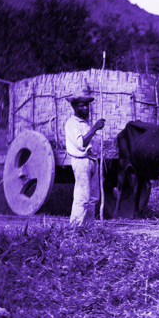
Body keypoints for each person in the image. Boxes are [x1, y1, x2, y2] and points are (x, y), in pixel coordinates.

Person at [65, 88, 105, 227]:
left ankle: (87, 228)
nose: (85, 108)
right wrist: (94, 128)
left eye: (86, 105)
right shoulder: (72, 123)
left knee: (93, 198)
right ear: (74, 107)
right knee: (82, 197)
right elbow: (81, 143)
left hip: (92, 161)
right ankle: (74, 229)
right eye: (81, 106)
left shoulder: (85, 123)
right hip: (81, 162)